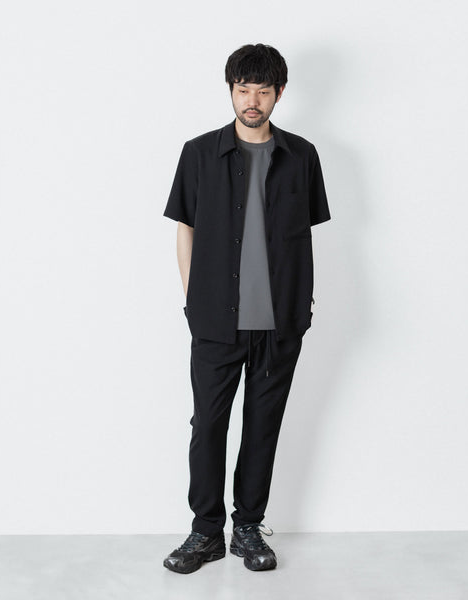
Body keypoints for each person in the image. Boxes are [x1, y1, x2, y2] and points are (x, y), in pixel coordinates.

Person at [162, 43, 331, 574]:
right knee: (208, 426)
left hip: (279, 324)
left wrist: (301, 303)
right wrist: (194, 300)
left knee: (263, 427)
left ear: (279, 93)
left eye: (262, 90)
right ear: (231, 91)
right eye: (243, 89)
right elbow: (185, 229)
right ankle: (204, 531)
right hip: (216, 320)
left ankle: (248, 528)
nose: (251, 100)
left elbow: (304, 236)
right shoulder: (198, 153)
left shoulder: (302, 156)